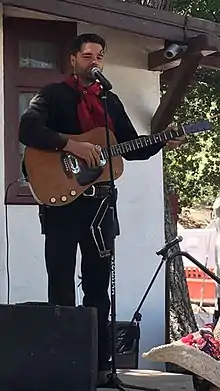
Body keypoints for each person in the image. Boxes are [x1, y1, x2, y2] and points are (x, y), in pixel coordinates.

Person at [19, 33, 183, 386]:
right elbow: (28, 128)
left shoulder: (109, 101)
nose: (94, 60)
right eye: (88, 54)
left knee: (98, 287)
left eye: (100, 56)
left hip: (100, 208)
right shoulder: (52, 94)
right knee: (60, 285)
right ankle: (60, 366)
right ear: (74, 59)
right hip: (62, 206)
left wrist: (161, 139)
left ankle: (98, 368)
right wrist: (72, 145)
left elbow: (130, 147)